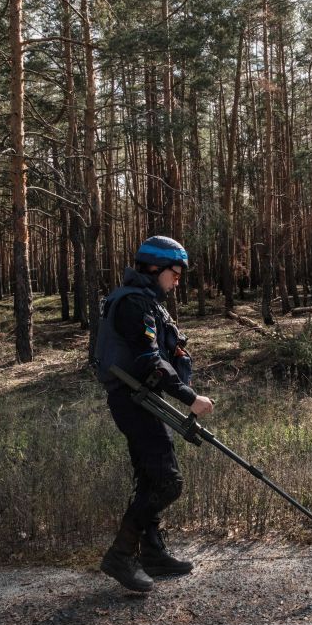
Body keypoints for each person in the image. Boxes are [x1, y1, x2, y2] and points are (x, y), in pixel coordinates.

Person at [94, 236, 214, 592]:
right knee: (167, 482)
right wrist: (189, 398)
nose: (177, 281)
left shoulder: (146, 302)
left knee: (150, 478)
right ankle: (120, 555)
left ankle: (152, 553)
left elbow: (166, 355)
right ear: (154, 268)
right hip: (135, 402)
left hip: (142, 400)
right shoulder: (133, 304)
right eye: (174, 273)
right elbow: (150, 361)